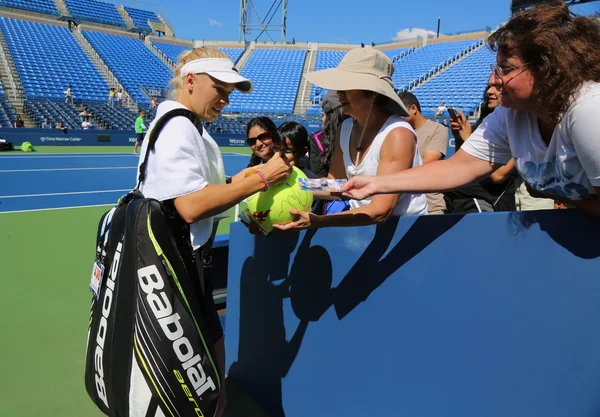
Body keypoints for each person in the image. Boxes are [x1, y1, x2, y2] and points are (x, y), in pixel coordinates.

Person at [136, 46, 291, 416]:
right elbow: (191, 206)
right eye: (218, 88)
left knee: (207, 382)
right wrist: (262, 179)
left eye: (228, 92)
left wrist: (255, 174)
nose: (224, 99)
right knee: (199, 391)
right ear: (190, 80)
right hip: (177, 273)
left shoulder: (186, 124)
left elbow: (204, 188)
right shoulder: (178, 125)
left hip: (182, 270)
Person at [341, 3, 600, 218]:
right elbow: (457, 168)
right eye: (495, 68)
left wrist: (564, 198)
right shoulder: (512, 115)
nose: (493, 81)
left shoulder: (588, 111)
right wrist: (376, 183)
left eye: (506, 69)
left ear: (547, 68)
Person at [275, 48, 428, 231]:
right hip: (363, 230)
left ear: (373, 93)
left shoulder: (397, 135)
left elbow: (381, 209)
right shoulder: (345, 128)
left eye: (348, 85)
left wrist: (319, 221)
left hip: (403, 234)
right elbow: (336, 184)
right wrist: (290, 184)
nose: (339, 92)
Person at [445, 85, 520, 213]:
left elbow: (498, 175)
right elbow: (461, 161)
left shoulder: (519, 126)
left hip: (491, 202)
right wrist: (459, 137)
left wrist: (467, 138)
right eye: (489, 88)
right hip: (460, 196)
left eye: (497, 87)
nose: (489, 92)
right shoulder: (484, 124)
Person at [399, 91, 449, 214]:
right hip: (402, 207)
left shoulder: (437, 129)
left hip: (431, 206)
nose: (396, 117)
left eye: (399, 112)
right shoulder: (398, 132)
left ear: (413, 109)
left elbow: (427, 162)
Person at [308, 90, 350, 178]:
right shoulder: (362, 133)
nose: (322, 118)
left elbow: (318, 178)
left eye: (324, 113)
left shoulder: (317, 138)